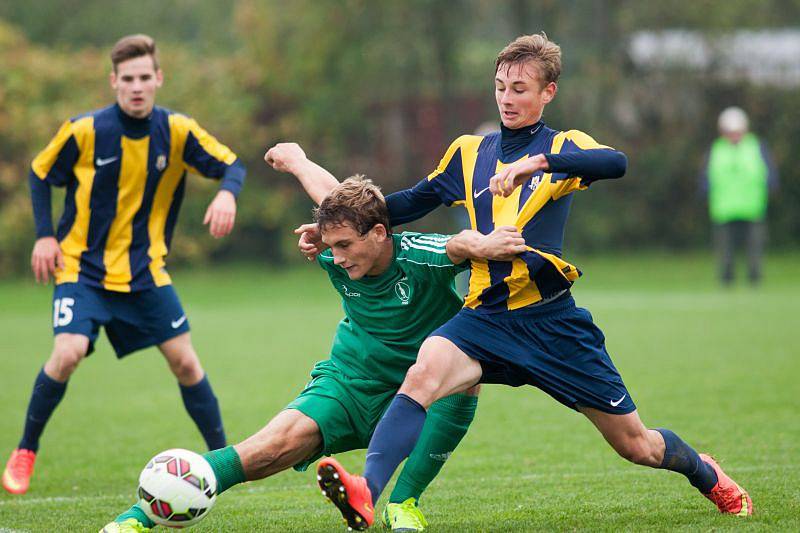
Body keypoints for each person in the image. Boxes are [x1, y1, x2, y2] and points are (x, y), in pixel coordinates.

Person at [315, 33, 753, 530]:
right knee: (423, 374)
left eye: (520, 88)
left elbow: (616, 162)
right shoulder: (468, 153)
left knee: (637, 445)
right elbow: (404, 205)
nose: (507, 98)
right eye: (500, 86)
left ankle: (705, 472)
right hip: (484, 318)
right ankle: (367, 490)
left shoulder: (562, 148)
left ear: (548, 93)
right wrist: (337, 229)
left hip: (552, 325)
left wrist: (538, 163)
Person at [100, 144, 526, 533]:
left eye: (343, 245)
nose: (335, 257)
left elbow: (455, 245)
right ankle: (139, 517)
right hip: (348, 381)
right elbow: (335, 200)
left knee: (467, 374)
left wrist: (485, 244)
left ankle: (404, 503)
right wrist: (297, 162)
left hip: (421, 389)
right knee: (270, 448)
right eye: (330, 244)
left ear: (380, 234)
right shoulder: (335, 248)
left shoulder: (417, 255)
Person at [3, 34, 245, 496]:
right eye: (127, 79)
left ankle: (224, 462)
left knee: (187, 364)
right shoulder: (84, 131)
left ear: (159, 79)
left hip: (145, 271)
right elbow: (38, 172)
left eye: (145, 78)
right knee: (68, 351)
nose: (136, 87)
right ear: (114, 81)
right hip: (82, 268)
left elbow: (233, 165)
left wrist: (227, 193)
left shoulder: (177, 131)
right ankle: (25, 450)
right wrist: (43, 235)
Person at [700, 106, 779, 286]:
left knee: (755, 250)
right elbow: (705, 177)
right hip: (724, 208)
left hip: (752, 207)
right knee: (725, 252)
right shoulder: (716, 149)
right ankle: (726, 281)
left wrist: (771, 188)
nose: (734, 135)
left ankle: (755, 281)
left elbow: (770, 174)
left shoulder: (756, 146)